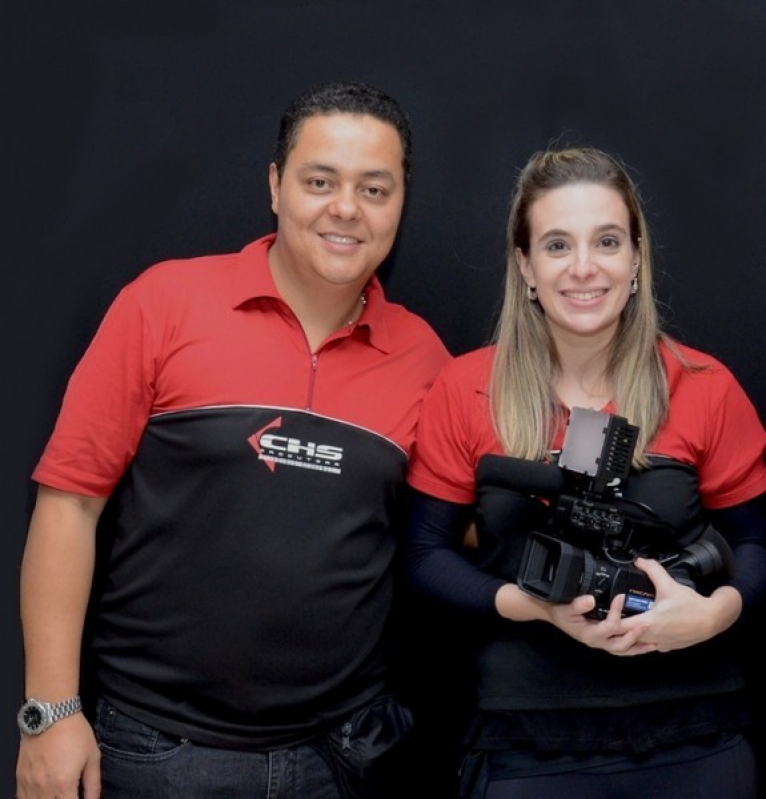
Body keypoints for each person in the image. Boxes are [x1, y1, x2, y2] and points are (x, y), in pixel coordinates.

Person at [16, 80, 451, 798]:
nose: (347, 208)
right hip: (159, 752)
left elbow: (447, 531)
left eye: (376, 189)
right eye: (321, 181)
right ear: (276, 185)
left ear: (401, 203)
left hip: (342, 760)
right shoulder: (164, 304)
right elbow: (69, 504)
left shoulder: (425, 359)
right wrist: (49, 712)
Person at [404, 146, 766, 798]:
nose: (583, 268)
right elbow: (424, 553)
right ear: (526, 266)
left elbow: (758, 544)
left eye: (606, 241)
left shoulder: (704, 385)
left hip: (694, 734)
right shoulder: (466, 388)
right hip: (529, 742)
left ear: (635, 259)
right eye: (556, 245)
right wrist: (536, 606)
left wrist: (712, 615)